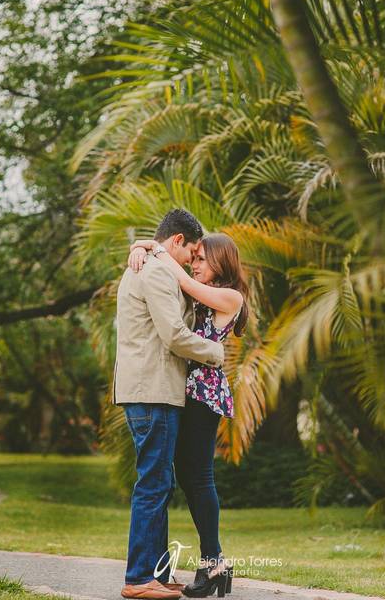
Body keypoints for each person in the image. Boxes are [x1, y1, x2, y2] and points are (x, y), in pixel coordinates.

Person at [128, 231, 249, 598]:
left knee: (198, 477)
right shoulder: (203, 290)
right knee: (187, 475)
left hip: (203, 393)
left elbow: (179, 279)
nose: (194, 265)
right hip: (187, 390)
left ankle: (214, 561)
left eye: (201, 260)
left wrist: (156, 251)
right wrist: (143, 245)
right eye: (193, 258)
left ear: (221, 262)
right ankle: (214, 562)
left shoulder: (231, 296)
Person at [115, 209, 226, 600]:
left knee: (160, 482)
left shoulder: (152, 262)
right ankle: (139, 578)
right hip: (152, 391)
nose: (193, 261)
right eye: (192, 251)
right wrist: (216, 353)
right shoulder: (158, 271)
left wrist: (145, 244)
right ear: (177, 241)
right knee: (153, 484)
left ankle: (156, 577)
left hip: (153, 389)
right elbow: (175, 335)